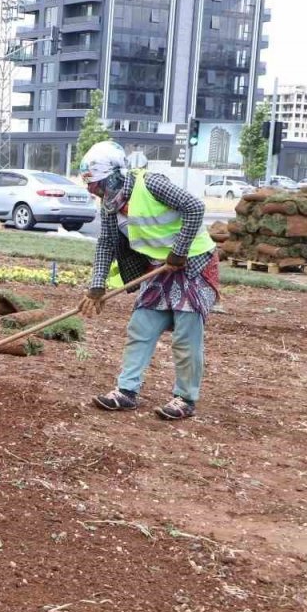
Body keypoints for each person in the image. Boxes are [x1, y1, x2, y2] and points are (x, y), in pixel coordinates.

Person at [77, 141, 220, 421]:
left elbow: (194, 207)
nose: (92, 190)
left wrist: (179, 251)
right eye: (90, 185)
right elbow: (106, 243)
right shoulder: (110, 205)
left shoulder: (152, 183)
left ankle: (185, 398)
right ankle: (126, 392)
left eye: (95, 183)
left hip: (194, 264)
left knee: (185, 335)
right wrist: (97, 285)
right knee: (140, 327)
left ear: (114, 175)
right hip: (160, 268)